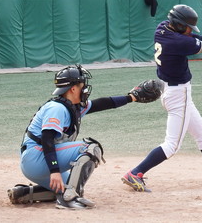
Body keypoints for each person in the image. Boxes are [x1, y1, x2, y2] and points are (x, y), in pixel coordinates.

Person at [121, 4, 202, 193]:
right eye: (188, 27)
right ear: (179, 25)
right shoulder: (178, 42)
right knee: (172, 145)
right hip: (177, 95)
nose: (190, 30)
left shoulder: (163, 28)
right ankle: (135, 173)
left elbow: (199, 39)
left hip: (173, 91)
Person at [11, 66, 159, 209]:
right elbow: (47, 139)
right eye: (83, 85)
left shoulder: (72, 105)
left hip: (37, 161)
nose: (85, 89)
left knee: (67, 185)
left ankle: (24, 194)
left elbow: (102, 103)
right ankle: (69, 200)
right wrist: (54, 171)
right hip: (37, 157)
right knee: (90, 148)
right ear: (73, 89)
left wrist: (131, 97)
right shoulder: (57, 109)